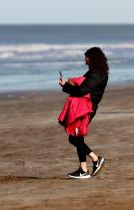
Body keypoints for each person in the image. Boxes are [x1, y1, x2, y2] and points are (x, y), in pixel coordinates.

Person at [59, 47, 109, 179]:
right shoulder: (95, 72)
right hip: (86, 107)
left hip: (87, 108)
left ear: (93, 58)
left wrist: (65, 87)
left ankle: (89, 164)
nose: (85, 61)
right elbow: (82, 86)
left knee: (75, 137)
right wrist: (68, 84)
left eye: (87, 58)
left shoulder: (97, 74)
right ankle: (88, 165)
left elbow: (82, 90)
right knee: (76, 136)